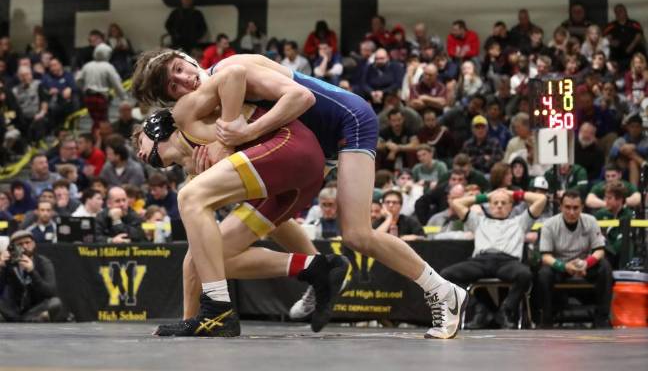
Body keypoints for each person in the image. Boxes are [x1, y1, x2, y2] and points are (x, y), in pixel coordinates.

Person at [131, 48, 467, 339]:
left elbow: (300, 97)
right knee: (223, 248)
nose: (185, 81)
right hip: (308, 143)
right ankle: (315, 272)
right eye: (173, 86)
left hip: (346, 121)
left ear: (187, 59)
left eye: (180, 70)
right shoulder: (208, 102)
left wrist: (239, 134)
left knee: (357, 233)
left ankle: (443, 291)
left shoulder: (230, 68)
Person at [132, 102, 347, 335]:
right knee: (211, 260)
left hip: (291, 151)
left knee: (206, 252)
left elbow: (234, 91)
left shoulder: (195, 124)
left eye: (140, 142)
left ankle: (317, 268)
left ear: (154, 127)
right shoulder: (193, 169)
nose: (138, 153)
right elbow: (197, 251)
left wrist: (225, 142)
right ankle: (317, 267)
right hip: (292, 181)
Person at [443, 188, 546, 328]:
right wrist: (486, 196)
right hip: (481, 261)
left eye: (504, 203)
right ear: (489, 205)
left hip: (507, 262)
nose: (499, 205)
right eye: (495, 202)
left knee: (525, 274)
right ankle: (481, 309)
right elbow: (457, 203)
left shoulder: (520, 222)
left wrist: (514, 194)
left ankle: (505, 310)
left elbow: (541, 199)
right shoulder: (478, 221)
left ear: (511, 206)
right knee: (446, 275)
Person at [538, 190, 612, 328]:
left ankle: (603, 318)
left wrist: (586, 263)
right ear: (560, 207)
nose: (571, 212)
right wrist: (564, 266)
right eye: (567, 207)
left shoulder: (591, 221)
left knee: (605, 267)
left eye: (575, 208)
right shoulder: (549, 224)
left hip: (584, 265)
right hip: (560, 266)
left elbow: (599, 250)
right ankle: (546, 319)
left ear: (582, 207)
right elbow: (545, 257)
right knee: (544, 273)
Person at [0, 230, 62, 322]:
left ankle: (27, 319)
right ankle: (30, 320)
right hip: (13, 310)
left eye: (27, 242)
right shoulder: (8, 263)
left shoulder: (43, 262)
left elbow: (50, 292)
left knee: (55, 302)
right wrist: (1, 268)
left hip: (34, 308)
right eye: (20, 244)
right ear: (12, 248)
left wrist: (32, 271)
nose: (25, 246)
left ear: (33, 244)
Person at [77, 43, 126, 131]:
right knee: (102, 122)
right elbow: (116, 83)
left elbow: (78, 79)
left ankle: (96, 139)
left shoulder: (88, 65)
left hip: (88, 97)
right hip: (101, 98)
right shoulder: (108, 67)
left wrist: (83, 89)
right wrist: (123, 97)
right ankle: (100, 140)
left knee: (95, 121)